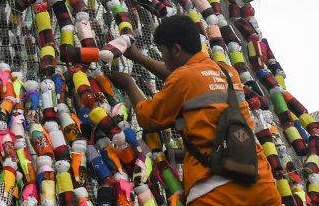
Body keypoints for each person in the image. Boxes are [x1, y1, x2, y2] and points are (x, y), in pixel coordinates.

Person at [107, 15, 282, 206]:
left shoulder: (183, 78)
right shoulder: (227, 72)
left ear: (176, 49)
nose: (162, 57)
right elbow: (185, 77)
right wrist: (139, 57)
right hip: (261, 184)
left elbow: (147, 118)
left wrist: (129, 84)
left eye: (163, 51)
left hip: (215, 191)